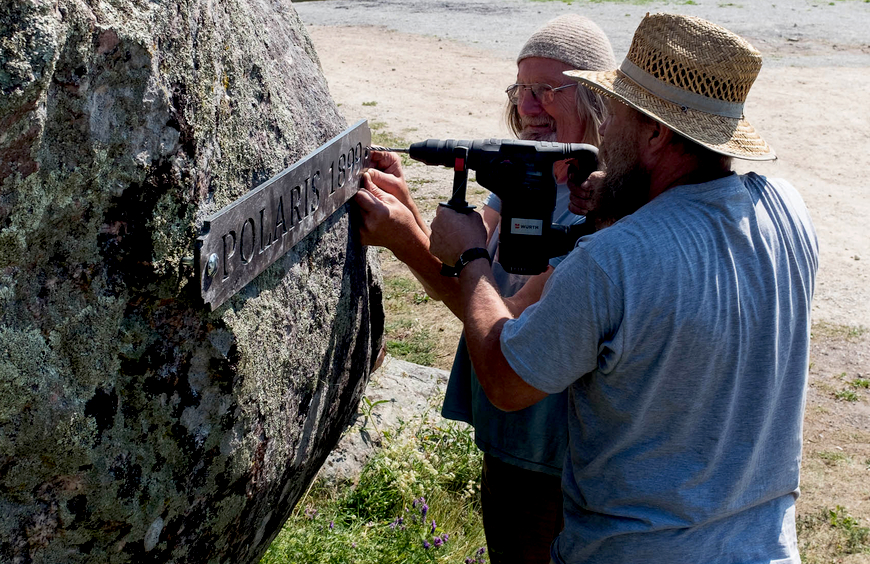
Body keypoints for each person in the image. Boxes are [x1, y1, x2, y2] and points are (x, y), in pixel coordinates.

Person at [421, 13, 818, 564]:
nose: (605, 129)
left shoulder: (610, 261)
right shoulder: (788, 211)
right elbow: (692, 226)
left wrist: (469, 258)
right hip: (763, 547)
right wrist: (633, 196)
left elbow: (506, 381)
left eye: (620, 114)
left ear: (654, 132)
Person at [355, 15, 615, 564]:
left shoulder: (602, 211)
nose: (530, 107)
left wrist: (405, 239)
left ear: (596, 97)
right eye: (522, 89)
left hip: (553, 459)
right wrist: (406, 211)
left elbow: (511, 326)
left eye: (549, 90)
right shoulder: (526, 177)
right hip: (510, 439)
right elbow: (467, 281)